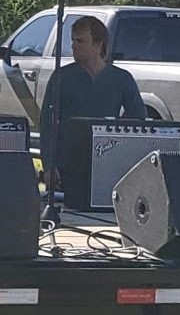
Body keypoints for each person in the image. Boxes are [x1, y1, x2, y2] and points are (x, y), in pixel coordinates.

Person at [38, 15, 145, 190]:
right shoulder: (62, 77)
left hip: (106, 162)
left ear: (98, 44)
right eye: (73, 40)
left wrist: (116, 134)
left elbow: (138, 118)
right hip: (68, 165)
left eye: (80, 41)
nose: (73, 46)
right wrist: (49, 166)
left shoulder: (121, 78)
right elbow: (47, 124)